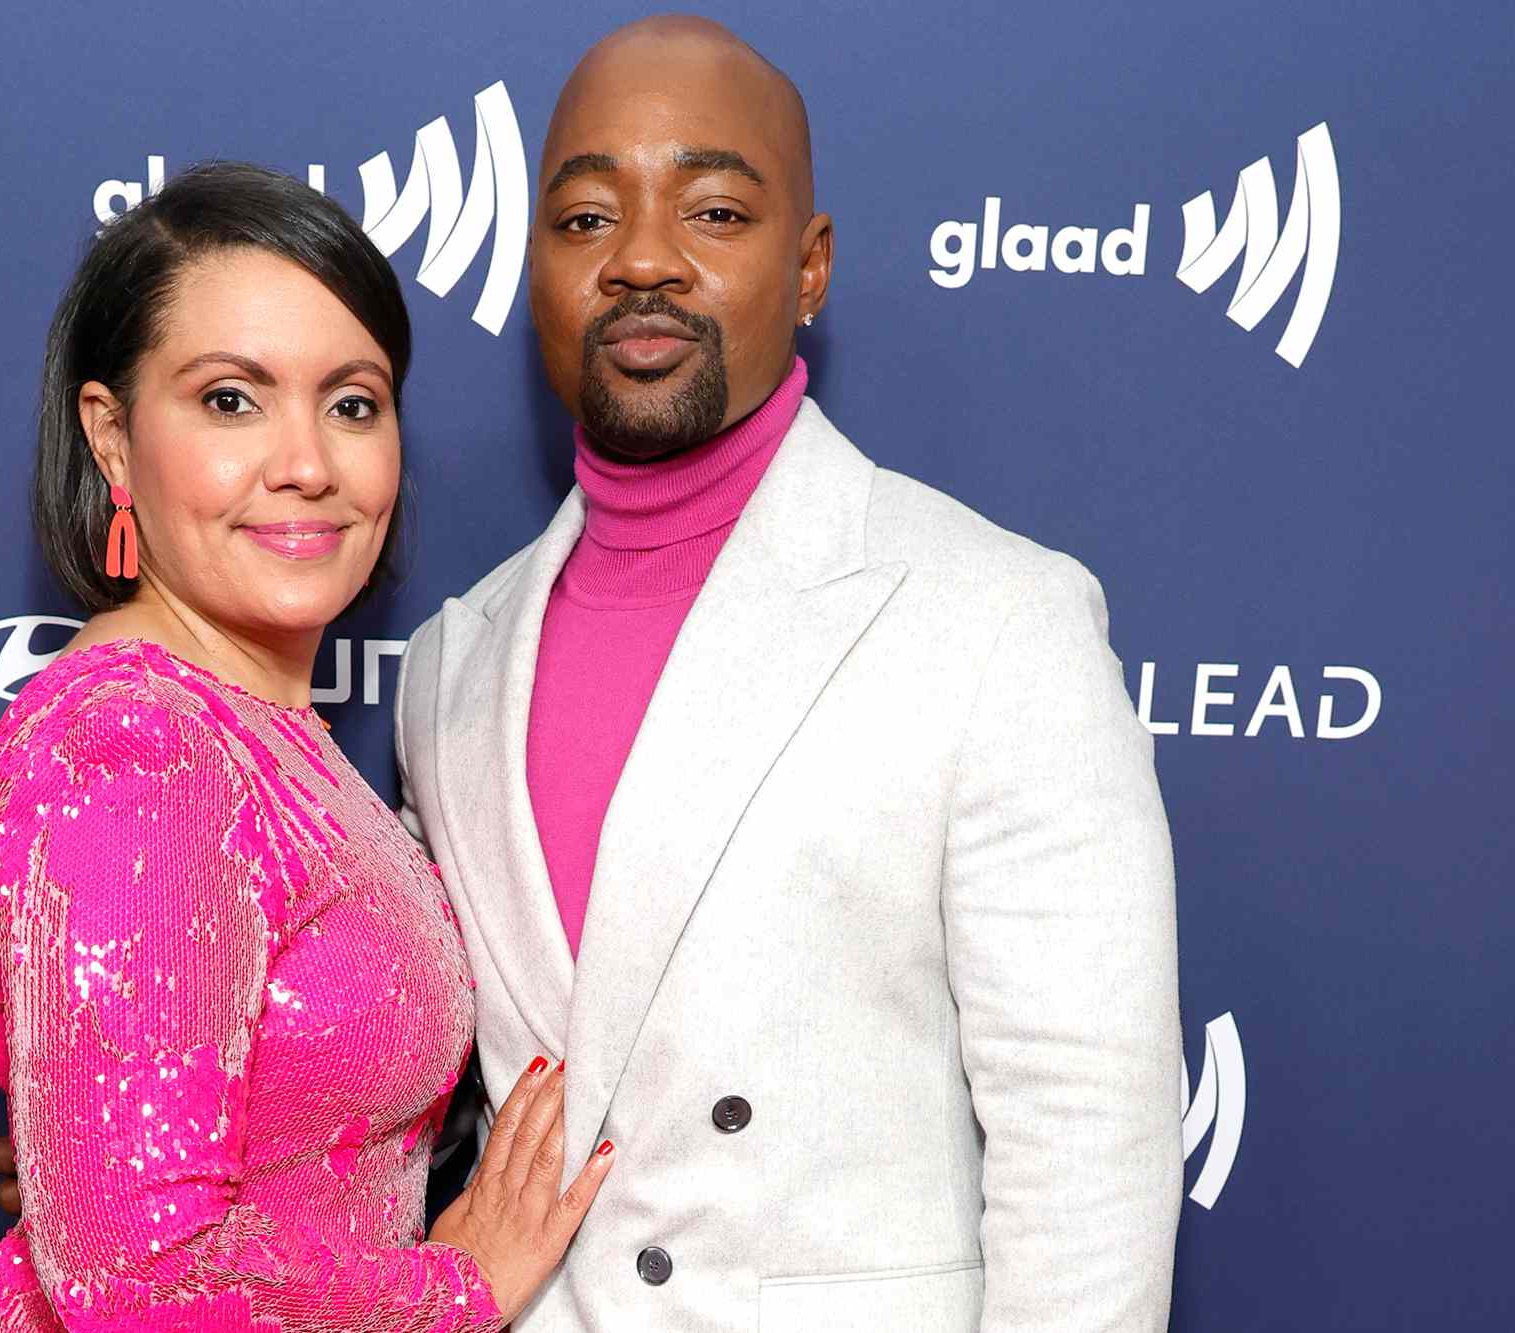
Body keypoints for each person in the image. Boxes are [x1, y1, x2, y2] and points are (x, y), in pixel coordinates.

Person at [389, 16, 1182, 1333]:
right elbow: (408, 1087)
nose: (643, 258)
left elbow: (1087, 1142)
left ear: (808, 265)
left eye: (712, 209)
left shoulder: (995, 616)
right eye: (587, 219)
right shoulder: (448, 666)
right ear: (532, 266)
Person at [0, 161, 611, 1333]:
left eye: (352, 403)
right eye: (230, 400)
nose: (306, 462)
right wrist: (456, 1289)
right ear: (110, 438)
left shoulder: (266, 734)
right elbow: (139, 1284)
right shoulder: (133, 750)